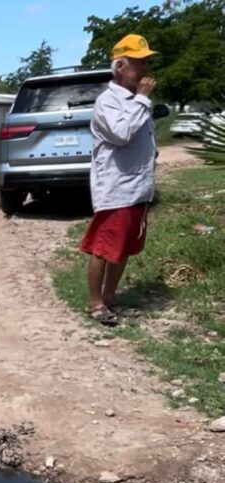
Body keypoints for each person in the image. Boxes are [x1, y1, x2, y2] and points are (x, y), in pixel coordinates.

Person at [80, 34, 158, 325]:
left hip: (137, 188)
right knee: (103, 246)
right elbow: (121, 134)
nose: (145, 69)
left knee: (123, 246)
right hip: (117, 188)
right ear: (120, 66)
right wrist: (142, 100)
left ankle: (111, 296)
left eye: (146, 62)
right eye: (139, 63)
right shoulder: (108, 102)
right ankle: (96, 302)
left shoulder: (136, 100)